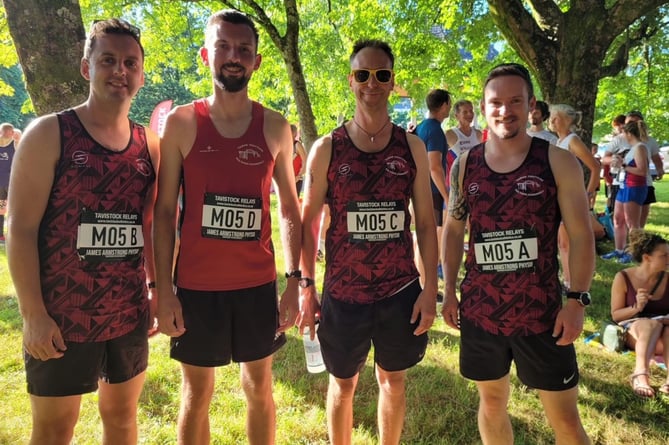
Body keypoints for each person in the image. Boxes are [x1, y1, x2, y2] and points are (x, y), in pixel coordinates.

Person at [153, 10, 301, 445]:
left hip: (255, 285)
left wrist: (294, 281)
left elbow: (290, 208)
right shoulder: (181, 122)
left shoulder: (275, 126)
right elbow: (164, 213)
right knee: (196, 395)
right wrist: (163, 290)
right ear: (206, 55)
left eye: (243, 50)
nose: (233, 57)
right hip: (197, 287)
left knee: (259, 389)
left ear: (256, 62)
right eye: (223, 47)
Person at [7, 19, 158, 445]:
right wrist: (33, 315)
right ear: (85, 67)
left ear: (142, 75)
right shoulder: (49, 133)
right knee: (55, 429)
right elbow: (19, 229)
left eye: (130, 63)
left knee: (123, 417)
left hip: (126, 312)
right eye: (107, 60)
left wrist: (153, 288)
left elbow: (150, 225)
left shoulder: (150, 146)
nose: (119, 71)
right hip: (62, 314)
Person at [442, 63, 594, 445]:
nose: (504, 110)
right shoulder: (464, 166)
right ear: (482, 106)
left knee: (564, 418)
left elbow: (580, 236)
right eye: (496, 102)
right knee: (492, 403)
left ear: (530, 107)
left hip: (541, 314)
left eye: (515, 101)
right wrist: (448, 291)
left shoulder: (557, 161)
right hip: (480, 312)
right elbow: (454, 229)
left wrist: (576, 299)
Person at [298, 39, 438, 445]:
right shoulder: (326, 148)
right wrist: (307, 287)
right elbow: (308, 226)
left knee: (393, 381)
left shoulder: (411, 146)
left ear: (393, 81)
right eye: (363, 75)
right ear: (351, 81)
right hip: (344, 292)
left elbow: (426, 225)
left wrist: (430, 291)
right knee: (342, 385)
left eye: (381, 75)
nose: (372, 83)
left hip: (399, 291)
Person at [610, 230, 669, 398]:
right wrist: (636, 308)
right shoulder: (623, 277)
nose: (668, 259)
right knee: (650, 324)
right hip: (633, 331)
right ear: (647, 257)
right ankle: (640, 374)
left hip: (662, 336)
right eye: (664, 255)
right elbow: (616, 316)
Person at [549, 103, 600, 288]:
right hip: (559, 196)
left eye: (556, 118)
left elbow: (595, 166)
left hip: (571, 197)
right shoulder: (558, 141)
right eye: (552, 117)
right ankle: (567, 280)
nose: (552, 121)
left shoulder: (572, 140)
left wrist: (588, 194)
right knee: (562, 242)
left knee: (571, 241)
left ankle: (573, 282)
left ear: (567, 120)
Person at [415, 88, 451, 283]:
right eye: (450, 104)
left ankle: (421, 282)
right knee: (432, 240)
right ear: (444, 105)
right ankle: (426, 284)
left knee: (420, 238)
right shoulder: (435, 130)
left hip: (420, 189)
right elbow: (434, 167)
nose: (450, 108)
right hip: (432, 191)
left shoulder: (422, 126)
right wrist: (446, 197)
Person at [601, 120, 649, 264]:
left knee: (632, 222)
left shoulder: (640, 147)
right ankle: (619, 249)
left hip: (634, 187)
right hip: (623, 185)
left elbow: (642, 171)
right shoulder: (633, 148)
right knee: (618, 219)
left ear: (628, 133)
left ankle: (634, 252)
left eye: (623, 133)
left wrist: (623, 165)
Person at [0, 122, 17, 242]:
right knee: (1, 210)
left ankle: (12, 234)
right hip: (2, 184)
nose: (6, 134)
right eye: (4, 132)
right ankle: (1, 234)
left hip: (12, 183)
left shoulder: (15, 144)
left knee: (13, 210)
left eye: (8, 132)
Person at [291, 123, 307, 195]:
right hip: (287, 180)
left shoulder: (297, 145)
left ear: (294, 134)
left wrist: (298, 176)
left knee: (293, 203)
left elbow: (305, 162)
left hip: (296, 180)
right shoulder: (285, 145)